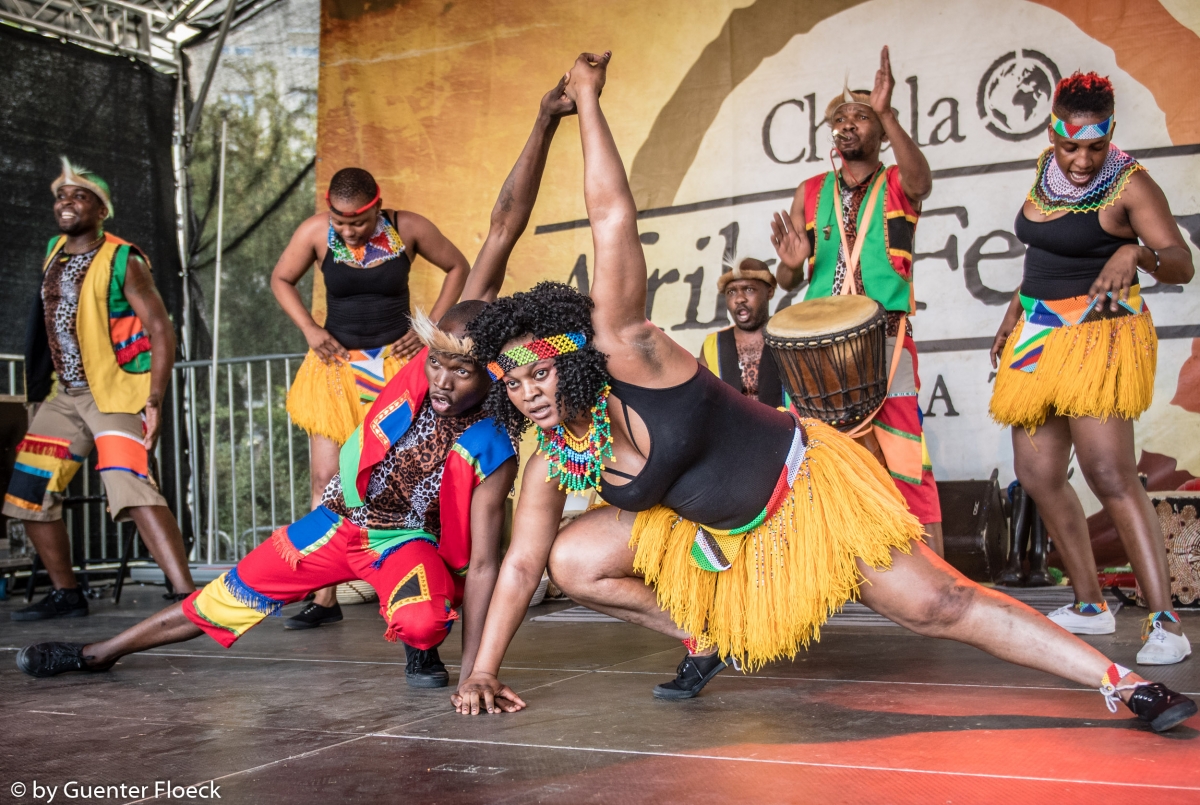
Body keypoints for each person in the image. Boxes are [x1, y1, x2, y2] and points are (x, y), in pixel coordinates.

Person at [453, 52, 1195, 734]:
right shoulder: (555, 453)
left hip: (804, 493)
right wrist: (482, 668)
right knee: (570, 559)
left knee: (939, 605)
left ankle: (1119, 680)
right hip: (715, 540)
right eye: (511, 383)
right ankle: (705, 634)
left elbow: (612, 216)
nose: (527, 393)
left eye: (540, 373)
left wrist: (585, 100)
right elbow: (521, 566)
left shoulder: (632, 352)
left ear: (573, 359)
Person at [14, 77, 578, 691]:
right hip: (341, 523)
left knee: (421, 621)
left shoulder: (493, 440)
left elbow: (488, 563)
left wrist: (478, 675)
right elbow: (501, 226)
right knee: (226, 596)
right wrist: (544, 118)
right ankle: (98, 653)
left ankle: (421, 647)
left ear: (491, 373)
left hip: (405, 544)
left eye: (461, 369)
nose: (441, 377)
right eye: (437, 362)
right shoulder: (426, 363)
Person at [988, 72, 1194, 664]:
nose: (1081, 160)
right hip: (1036, 330)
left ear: (1112, 136)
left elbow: (1180, 263)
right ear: (1052, 131)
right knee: (1038, 474)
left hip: (1100, 331)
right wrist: (1012, 313)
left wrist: (1136, 251)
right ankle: (1089, 604)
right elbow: (1042, 253)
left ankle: (1165, 623)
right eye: (1069, 145)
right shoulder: (1045, 170)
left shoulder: (1132, 184)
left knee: (1110, 473)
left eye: (1094, 147)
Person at [271, 167, 470, 628]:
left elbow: (459, 265)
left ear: (376, 206)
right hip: (335, 368)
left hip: (397, 369)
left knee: (411, 472)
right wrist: (310, 329)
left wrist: (429, 332)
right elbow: (281, 279)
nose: (346, 229)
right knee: (325, 478)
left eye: (356, 221)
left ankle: (426, 584)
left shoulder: (408, 228)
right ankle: (325, 597)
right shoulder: (315, 233)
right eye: (338, 220)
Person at [769, 46, 942, 556]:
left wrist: (887, 110)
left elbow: (924, 183)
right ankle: (823, 570)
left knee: (906, 455)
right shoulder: (810, 189)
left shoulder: (896, 182)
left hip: (888, 335)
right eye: (840, 120)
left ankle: (939, 577)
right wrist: (791, 262)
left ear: (882, 134)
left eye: (861, 118)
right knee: (812, 457)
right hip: (818, 342)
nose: (847, 125)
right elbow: (786, 278)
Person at [6, 158, 195, 620]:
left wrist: (153, 399)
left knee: (129, 485)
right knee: (29, 491)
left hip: (113, 394)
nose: (67, 204)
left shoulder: (123, 259)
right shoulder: (54, 249)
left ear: (101, 209)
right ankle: (67, 594)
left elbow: (160, 329)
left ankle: (191, 598)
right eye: (61, 196)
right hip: (64, 394)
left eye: (80, 196)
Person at [698, 258, 783, 406]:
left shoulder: (788, 337)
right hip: (729, 428)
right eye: (731, 292)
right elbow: (702, 400)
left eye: (749, 289)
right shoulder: (713, 344)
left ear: (769, 291)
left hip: (782, 427)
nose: (739, 299)